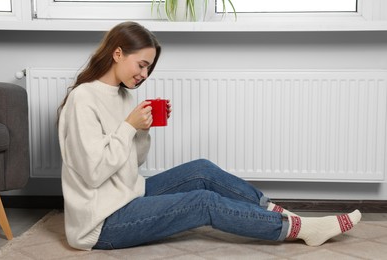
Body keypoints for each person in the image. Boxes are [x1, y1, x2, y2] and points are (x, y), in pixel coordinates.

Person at [57, 21, 361, 251]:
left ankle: (279, 213)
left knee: (201, 169)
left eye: (149, 68)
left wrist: (141, 132)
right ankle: (299, 228)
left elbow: (128, 166)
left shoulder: (122, 96)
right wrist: (128, 127)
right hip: (101, 223)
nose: (144, 75)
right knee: (203, 203)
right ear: (118, 53)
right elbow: (93, 173)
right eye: (142, 65)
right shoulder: (84, 99)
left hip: (127, 195)